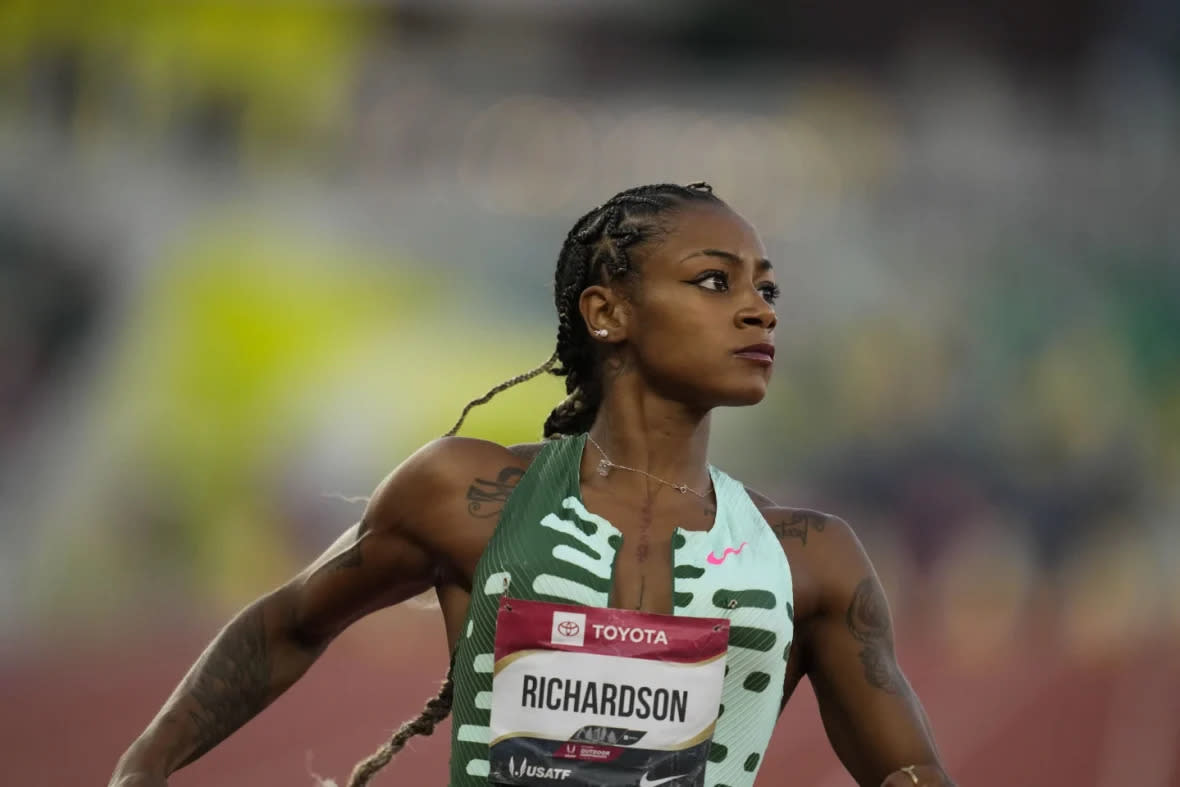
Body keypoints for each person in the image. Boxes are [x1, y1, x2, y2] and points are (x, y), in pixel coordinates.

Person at [109, 183, 955, 787]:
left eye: (766, 287)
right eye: (714, 281)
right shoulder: (464, 493)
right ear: (606, 313)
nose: (761, 308)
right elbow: (290, 625)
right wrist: (143, 764)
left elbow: (907, 769)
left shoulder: (812, 561)